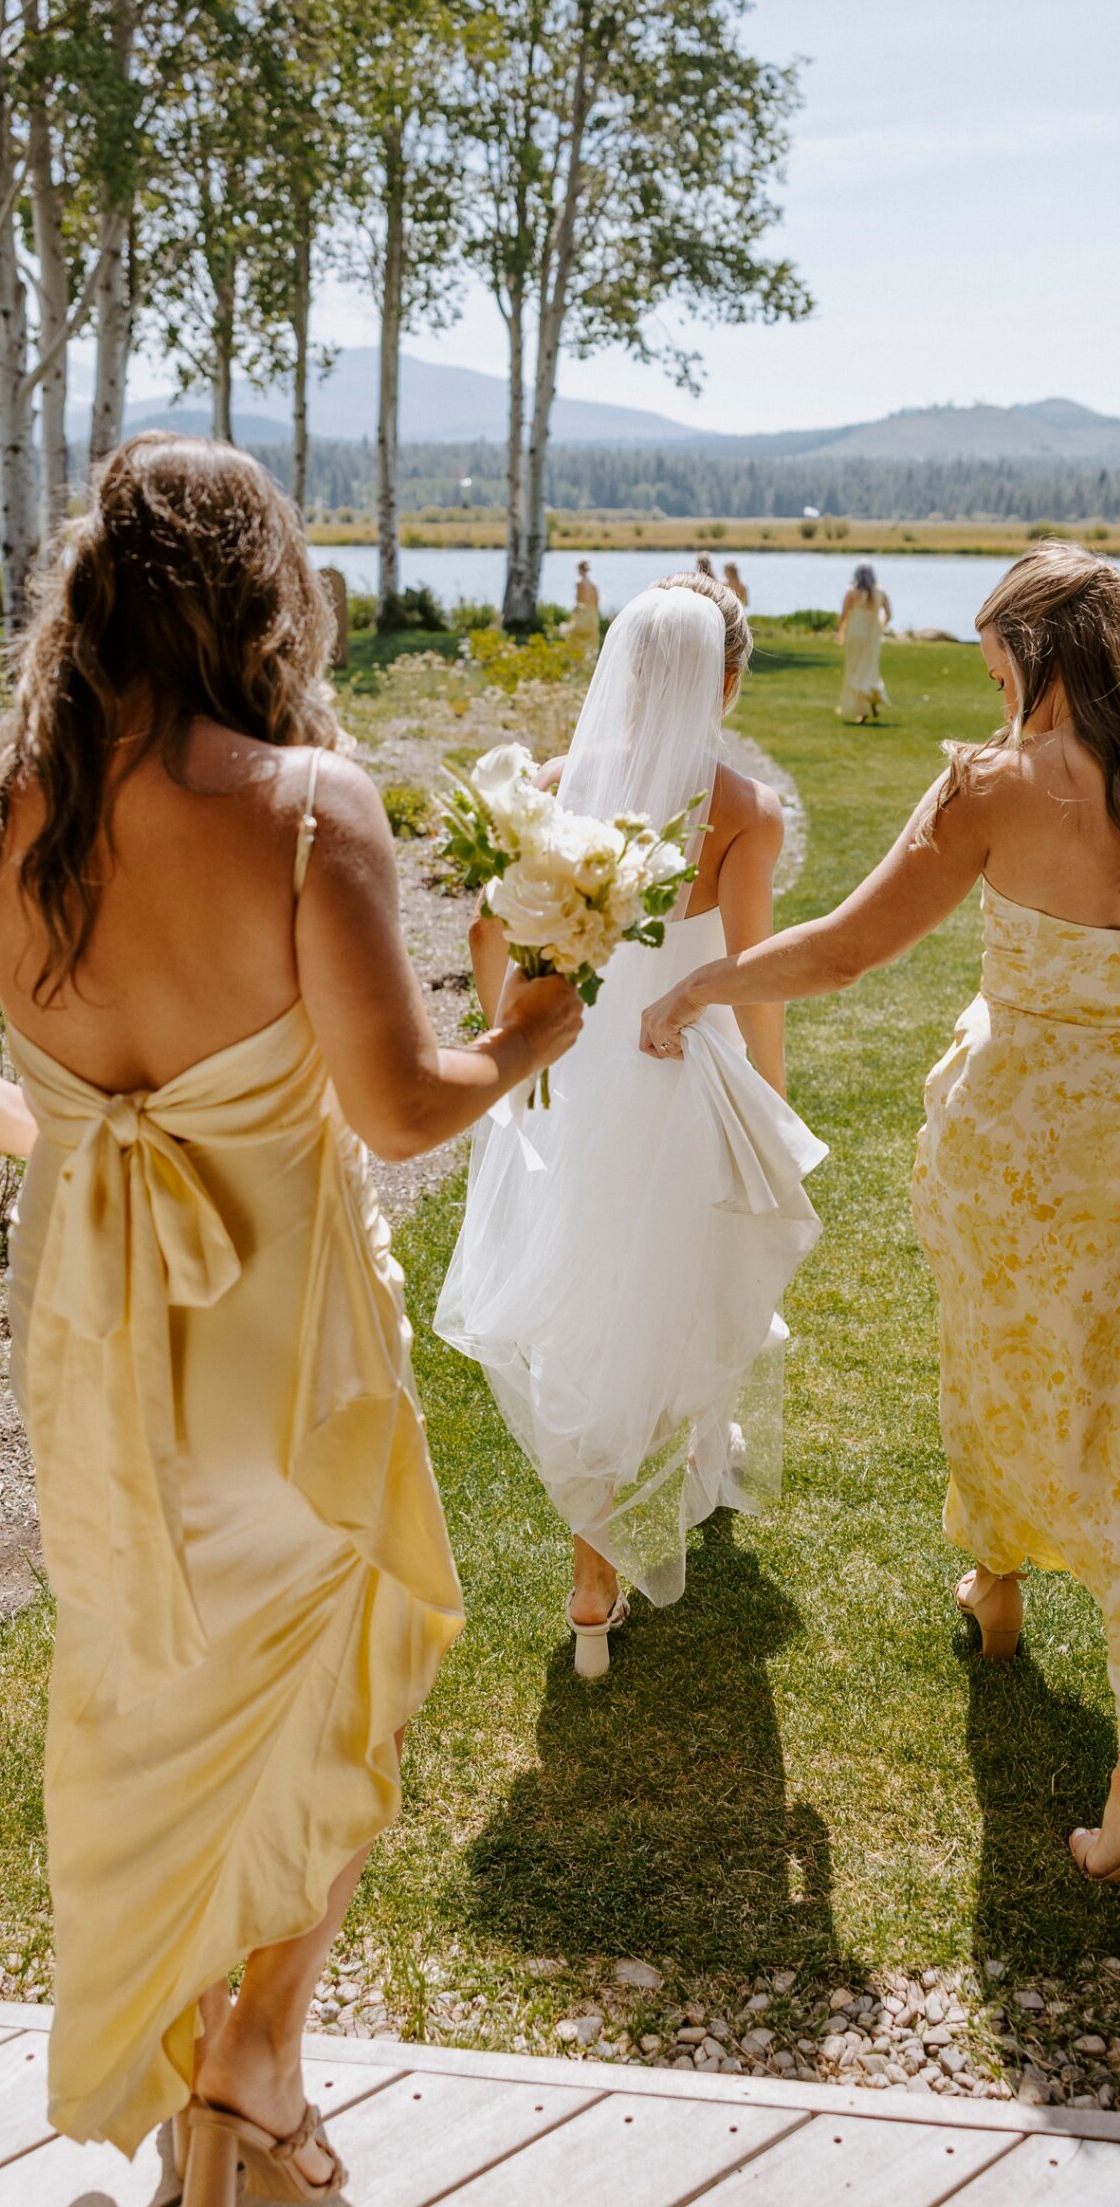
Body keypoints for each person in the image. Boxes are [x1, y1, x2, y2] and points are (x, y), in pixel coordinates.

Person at [0, 433, 582, 2206]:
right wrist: (537, 1025)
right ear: (263, 597)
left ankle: (214, 2089)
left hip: (94, 1338)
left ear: (89, 594)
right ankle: (252, 2066)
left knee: (140, 1685)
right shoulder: (305, 806)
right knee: (331, 1672)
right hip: (282, 1350)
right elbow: (403, 1112)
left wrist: (76, 1140)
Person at [640, 545, 1120, 1923]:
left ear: (1038, 653)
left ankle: (995, 1580)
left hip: (1014, 1147)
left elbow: (844, 953)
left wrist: (701, 981)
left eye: (1001, 670)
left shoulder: (994, 789)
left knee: (1001, 1364)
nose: (998, 699)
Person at [435, 573, 826, 1676]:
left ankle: (593, 1574)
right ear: (728, 681)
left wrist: (508, 1037)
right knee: (685, 1281)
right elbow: (749, 975)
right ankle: (696, 1453)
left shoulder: (556, 786)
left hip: (575, 1063)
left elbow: (486, 933)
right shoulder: (742, 809)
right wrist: (772, 1089)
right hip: (682, 1064)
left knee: (591, 1305)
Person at [837, 562, 892, 722]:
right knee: (870, 669)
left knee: (855, 669)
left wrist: (840, 631)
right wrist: (880, 626)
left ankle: (863, 709)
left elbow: (844, 614)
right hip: (872, 634)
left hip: (855, 632)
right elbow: (889, 615)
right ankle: (871, 700)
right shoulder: (881, 592)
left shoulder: (851, 591)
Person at [566, 560, 601, 650]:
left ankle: (577, 662)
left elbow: (579, 600)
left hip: (583, 612)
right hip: (592, 614)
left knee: (574, 637)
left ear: (580, 569)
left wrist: (574, 615)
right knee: (591, 641)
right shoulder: (593, 584)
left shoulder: (579, 582)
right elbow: (596, 601)